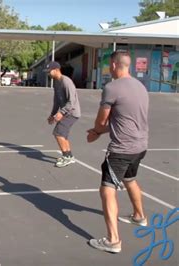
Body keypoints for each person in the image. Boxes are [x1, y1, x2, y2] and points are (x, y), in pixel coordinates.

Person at [87, 50, 149, 254]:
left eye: (109, 66)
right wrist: (101, 130)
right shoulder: (141, 87)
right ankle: (139, 216)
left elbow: (102, 120)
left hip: (122, 149)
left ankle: (113, 240)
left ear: (114, 65)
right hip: (140, 146)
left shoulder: (112, 88)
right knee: (130, 179)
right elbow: (122, 121)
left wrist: (95, 131)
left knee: (107, 188)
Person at [45, 61, 81, 167]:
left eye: (49, 71)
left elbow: (72, 101)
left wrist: (61, 113)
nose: (48, 74)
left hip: (72, 112)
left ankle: (66, 157)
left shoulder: (66, 81)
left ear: (56, 70)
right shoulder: (56, 82)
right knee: (62, 134)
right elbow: (57, 100)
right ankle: (69, 156)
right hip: (66, 112)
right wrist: (52, 114)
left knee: (58, 133)